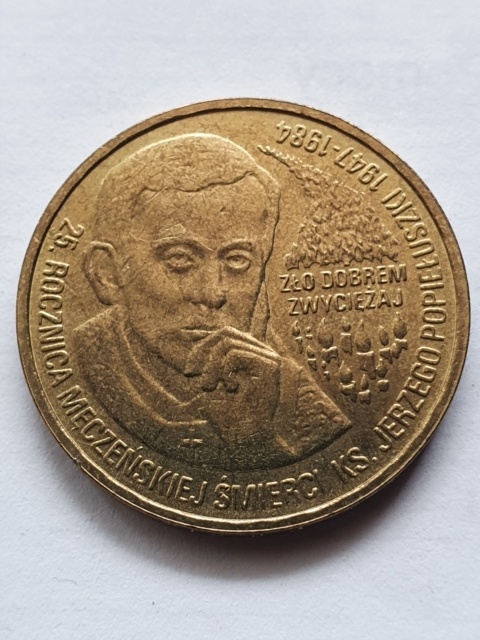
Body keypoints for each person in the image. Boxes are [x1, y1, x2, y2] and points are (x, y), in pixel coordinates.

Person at [74, 133, 350, 470]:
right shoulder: (82, 368)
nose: (213, 294)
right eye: (180, 259)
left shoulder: (285, 386)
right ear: (107, 274)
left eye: (237, 260)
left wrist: (253, 434)